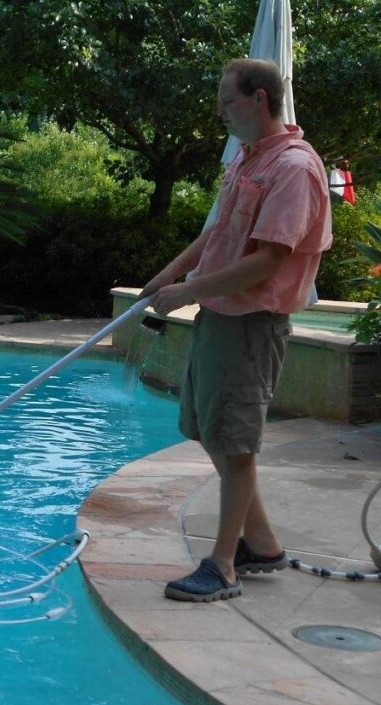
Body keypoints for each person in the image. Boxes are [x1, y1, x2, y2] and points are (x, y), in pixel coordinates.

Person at [140, 58, 332, 602]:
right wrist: (169, 274)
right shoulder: (250, 158)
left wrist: (188, 293)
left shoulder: (293, 169)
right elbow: (217, 232)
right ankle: (262, 543)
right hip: (220, 317)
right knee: (208, 429)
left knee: (236, 444)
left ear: (259, 99)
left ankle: (223, 566)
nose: (219, 111)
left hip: (251, 324)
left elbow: (269, 260)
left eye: (227, 100)